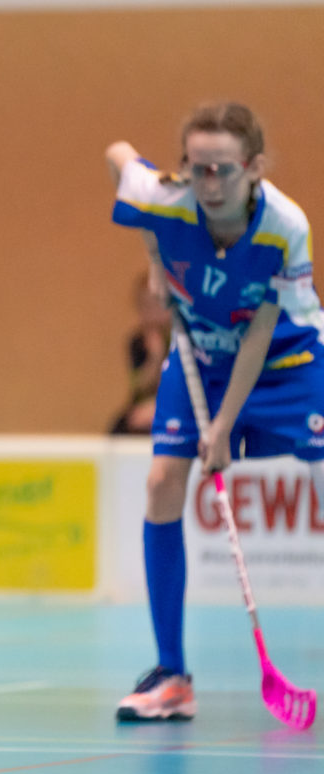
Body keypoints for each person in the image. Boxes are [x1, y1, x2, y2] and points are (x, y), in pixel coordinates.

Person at [106, 103, 323, 721]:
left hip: (286, 359)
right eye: (196, 168)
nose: (208, 184)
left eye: (222, 170)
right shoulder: (165, 199)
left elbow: (260, 330)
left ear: (253, 168)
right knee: (161, 482)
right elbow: (117, 152)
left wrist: (223, 427)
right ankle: (171, 675)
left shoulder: (285, 226)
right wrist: (154, 256)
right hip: (199, 351)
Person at [109, 270, 172, 435]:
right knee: (122, 425)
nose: (151, 312)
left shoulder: (183, 340)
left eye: (156, 304)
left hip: (174, 405)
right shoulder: (138, 341)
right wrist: (155, 358)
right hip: (144, 403)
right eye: (144, 306)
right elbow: (139, 386)